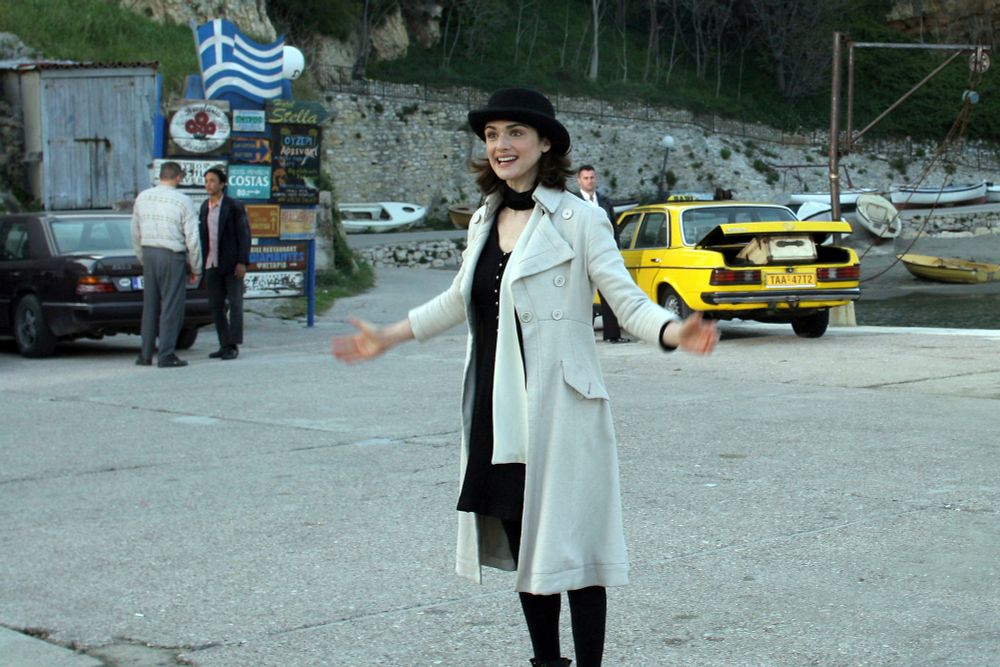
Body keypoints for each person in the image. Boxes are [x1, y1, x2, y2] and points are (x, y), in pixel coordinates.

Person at [331, 87, 718, 667]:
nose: (500, 145)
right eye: (491, 135)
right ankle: (546, 662)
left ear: (544, 143)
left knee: (577, 553)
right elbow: (458, 300)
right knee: (525, 549)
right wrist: (389, 335)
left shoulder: (581, 219)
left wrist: (673, 332)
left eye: (514, 133)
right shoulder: (484, 219)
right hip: (497, 407)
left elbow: (627, 302)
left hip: (559, 410)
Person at [131, 161, 202, 368]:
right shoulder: (183, 201)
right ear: (178, 177)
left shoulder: (143, 197)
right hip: (172, 254)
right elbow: (192, 237)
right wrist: (195, 266)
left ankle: (145, 354)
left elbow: (135, 231)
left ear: (159, 176)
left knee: (150, 305)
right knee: (171, 306)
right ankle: (166, 354)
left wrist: (142, 257)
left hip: (149, 251)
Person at [199, 166, 250, 360]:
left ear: (222, 184)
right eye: (206, 181)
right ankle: (223, 343)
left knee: (235, 304)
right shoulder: (205, 206)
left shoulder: (233, 206)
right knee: (216, 305)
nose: (208, 185)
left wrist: (242, 261)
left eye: (212, 181)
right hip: (211, 263)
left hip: (231, 263)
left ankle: (233, 344)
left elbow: (244, 235)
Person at [575, 165, 626, 343]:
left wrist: (616, 252)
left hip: (603, 254)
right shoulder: (573, 202)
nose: (590, 181)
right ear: (579, 180)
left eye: (592, 177)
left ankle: (612, 334)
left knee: (609, 292)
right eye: (586, 178)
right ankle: (583, 335)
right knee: (581, 297)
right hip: (581, 255)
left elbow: (614, 229)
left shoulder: (605, 201)